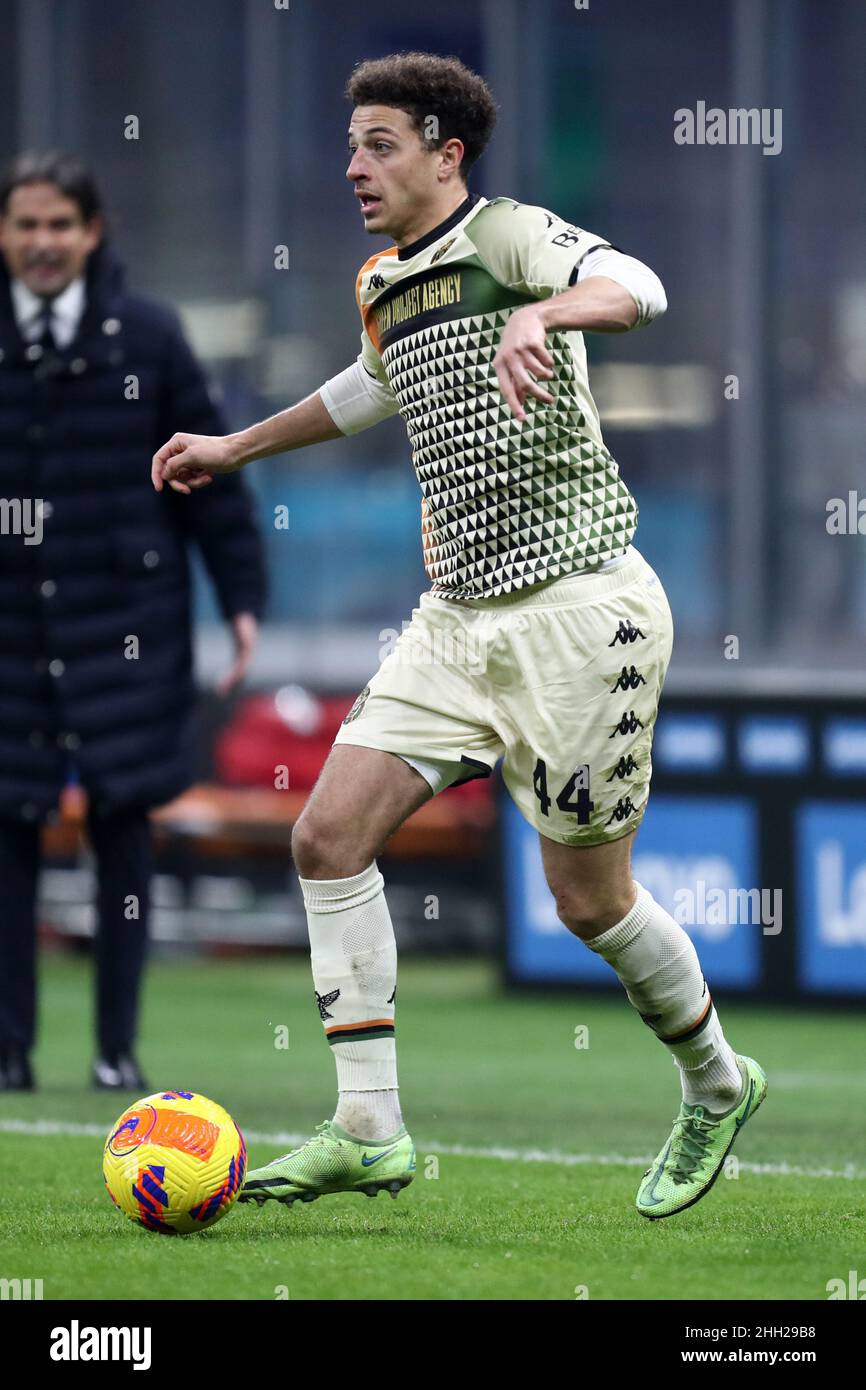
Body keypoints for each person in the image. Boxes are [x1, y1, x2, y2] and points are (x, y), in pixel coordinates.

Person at [152, 53, 766, 1220]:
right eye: (348, 145)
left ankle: (715, 1082)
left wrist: (544, 308)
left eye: (380, 143)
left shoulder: (512, 237)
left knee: (587, 901)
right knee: (326, 837)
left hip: (582, 611)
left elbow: (637, 287)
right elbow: (369, 386)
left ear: (447, 153)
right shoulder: (383, 279)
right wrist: (236, 449)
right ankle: (369, 1128)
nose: (353, 167)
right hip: (452, 621)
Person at [0, 151, 266, 1091]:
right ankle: (9, 1054)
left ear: (92, 233)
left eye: (59, 226)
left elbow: (214, 483)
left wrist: (241, 602)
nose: (42, 244)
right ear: (4, 234)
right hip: (13, 640)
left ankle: (116, 1052)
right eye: (25, 225)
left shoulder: (149, 339)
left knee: (124, 830)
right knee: (9, 832)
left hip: (129, 628)